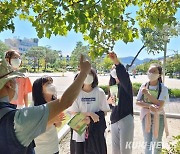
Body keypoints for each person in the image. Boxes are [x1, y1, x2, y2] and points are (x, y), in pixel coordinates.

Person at [0, 54, 91, 153]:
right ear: (9, 84)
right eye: (15, 80)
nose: (17, 84)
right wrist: (83, 73)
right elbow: (65, 101)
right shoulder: (18, 119)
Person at [68, 68, 110, 154]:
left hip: (95, 133)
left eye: (90, 74)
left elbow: (104, 112)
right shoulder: (75, 93)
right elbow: (73, 112)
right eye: (85, 74)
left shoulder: (100, 92)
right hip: (79, 132)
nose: (88, 76)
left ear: (94, 77)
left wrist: (90, 120)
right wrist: (89, 114)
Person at [136, 64, 169, 154]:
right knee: (147, 141)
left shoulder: (163, 88)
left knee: (157, 141)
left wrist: (147, 94)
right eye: (150, 71)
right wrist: (149, 106)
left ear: (159, 75)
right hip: (146, 115)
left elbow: (160, 104)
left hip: (159, 116)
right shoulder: (144, 85)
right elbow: (137, 102)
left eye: (154, 71)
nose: (151, 73)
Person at [107, 52, 134, 154]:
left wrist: (116, 62)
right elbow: (110, 105)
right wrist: (108, 101)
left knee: (125, 150)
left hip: (126, 118)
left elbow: (123, 75)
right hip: (114, 120)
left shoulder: (126, 85)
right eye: (112, 69)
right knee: (115, 150)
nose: (114, 71)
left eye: (115, 69)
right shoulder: (112, 87)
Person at [32, 75, 65, 154]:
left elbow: (58, 124)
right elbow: (36, 127)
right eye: (47, 84)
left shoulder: (55, 103)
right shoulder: (34, 107)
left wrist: (57, 121)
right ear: (39, 89)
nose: (51, 85)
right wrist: (53, 120)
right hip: (39, 148)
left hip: (53, 146)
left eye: (51, 82)